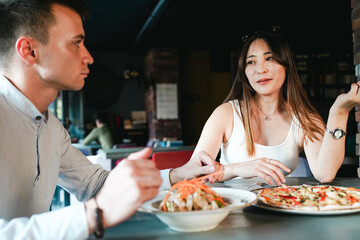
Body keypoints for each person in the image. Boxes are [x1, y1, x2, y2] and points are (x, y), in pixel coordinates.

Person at [0, 0, 220, 239]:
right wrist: (95, 213)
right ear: (30, 51)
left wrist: (178, 174)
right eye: (77, 43)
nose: (89, 57)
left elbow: (95, 185)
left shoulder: (52, 128)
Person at [191, 26, 360, 186]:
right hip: (234, 211)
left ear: (286, 65)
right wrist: (236, 169)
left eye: (269, 58)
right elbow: (195, 173)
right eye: (251, 62)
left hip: (280, 209)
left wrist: (339, 112)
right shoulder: (226, 114)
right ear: (244, 71)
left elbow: (325, 174)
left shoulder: (303, 118)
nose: (260, 69)